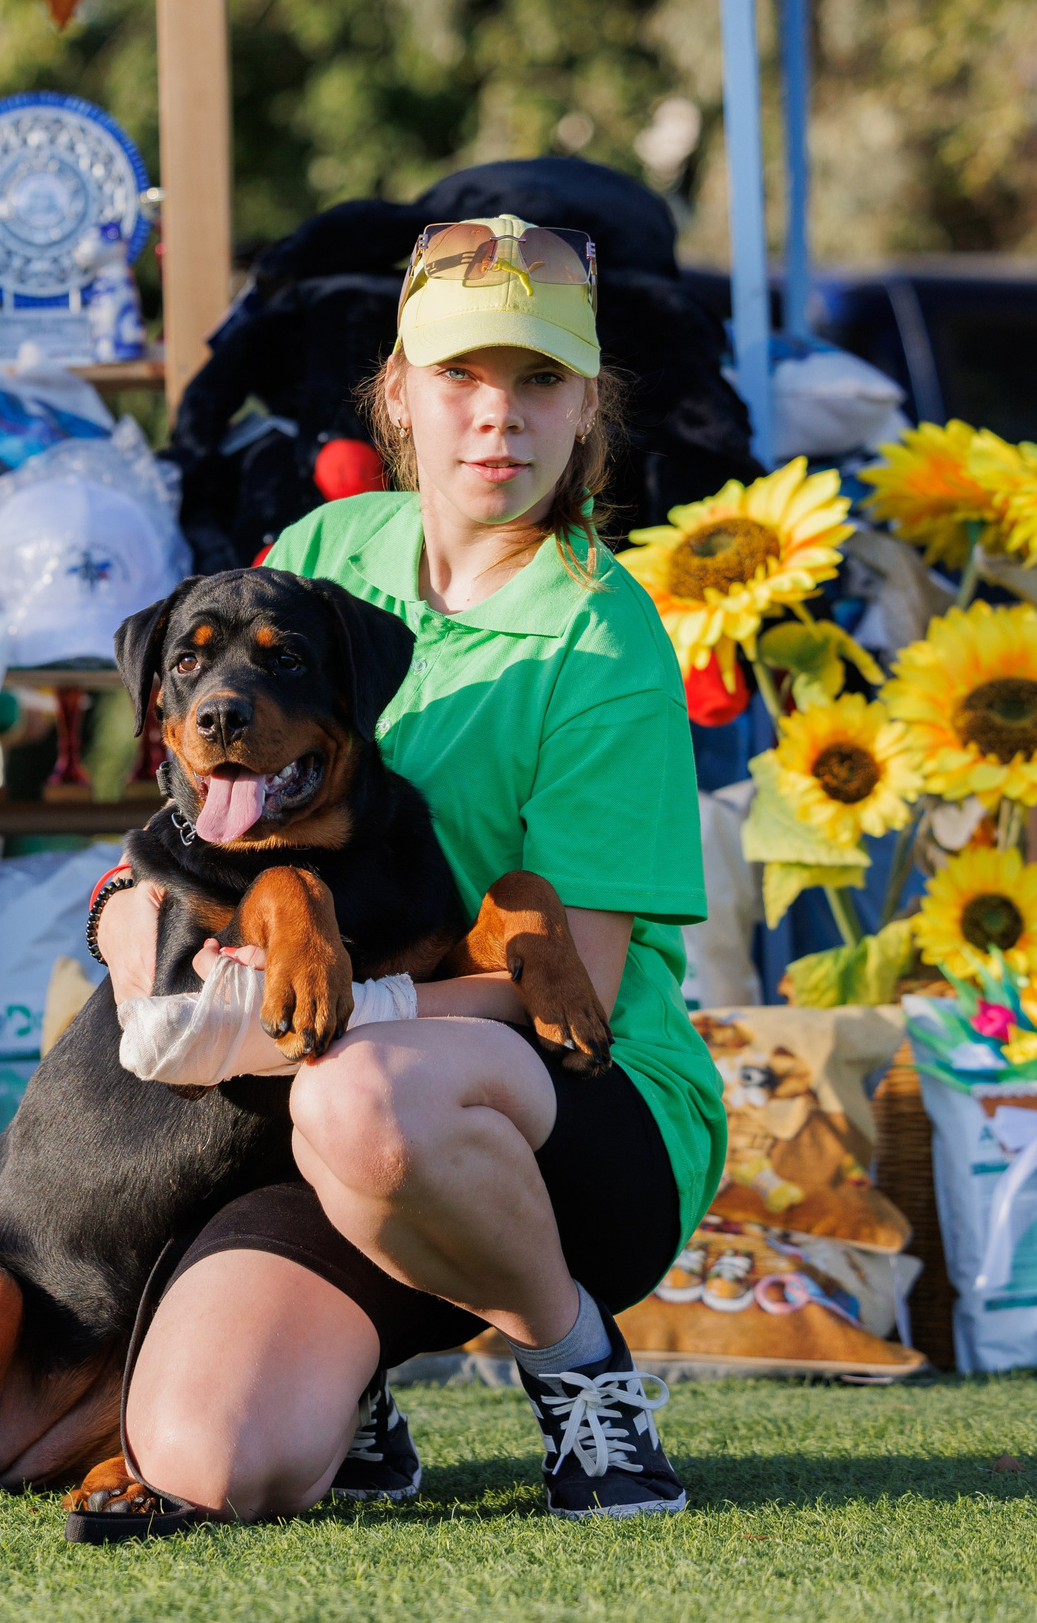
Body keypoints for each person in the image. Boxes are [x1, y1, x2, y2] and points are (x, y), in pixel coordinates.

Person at [94, 215, 724, 1523]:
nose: (499, 416)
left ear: (587, 406)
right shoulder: (322, 556)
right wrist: (125, 931)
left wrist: (309, 1020)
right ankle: (359, 1399)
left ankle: (577, 1362)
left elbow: (575, 992)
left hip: (569, 1114)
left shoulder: (604, 641)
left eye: (540, 379)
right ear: (397, 392)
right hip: (324, 1114)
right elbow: (193, 821)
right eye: (460, 376)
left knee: (362, 1097)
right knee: (211, 1461)